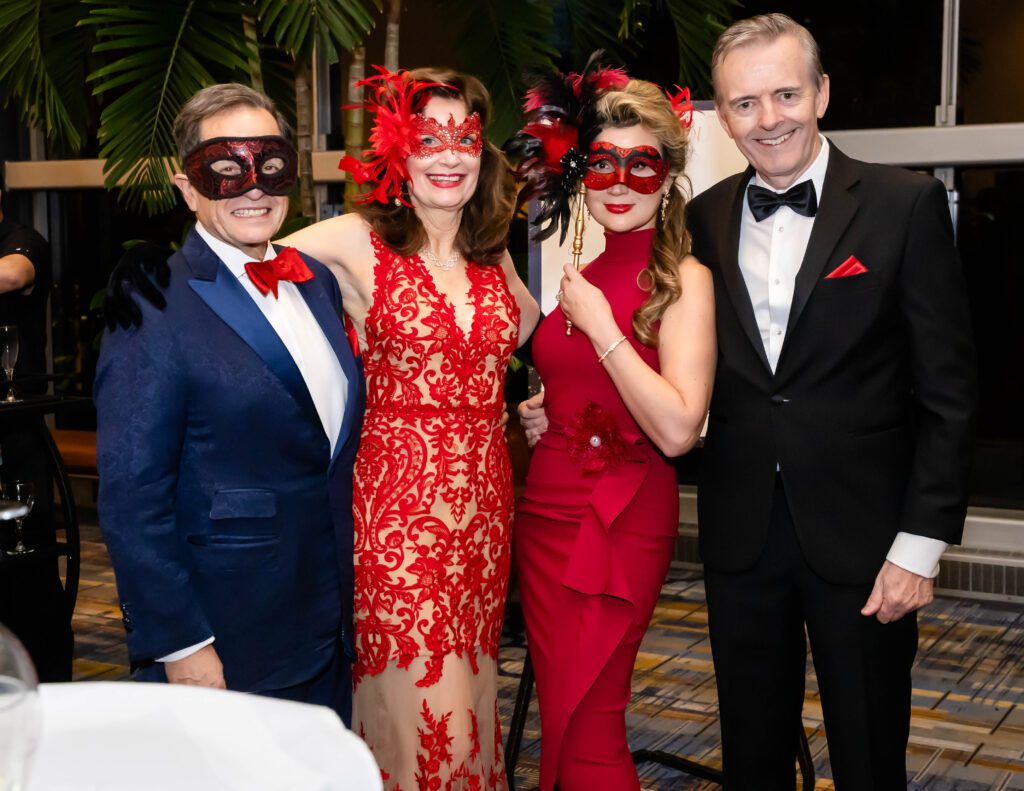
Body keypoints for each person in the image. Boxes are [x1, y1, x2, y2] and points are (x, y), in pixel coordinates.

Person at [522, 14, 978, 788]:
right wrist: (556, 403)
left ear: (823, 93)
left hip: (864, 541)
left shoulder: (903, 207)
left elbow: (949, 391)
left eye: (786, 94)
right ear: (721, 118)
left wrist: (920, 545)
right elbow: (664, 349)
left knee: (870, 757)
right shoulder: (698, 223)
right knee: (752, 755)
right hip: (740, 538)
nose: (769, 119)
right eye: (745, 103)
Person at [279, 67, 538, 789]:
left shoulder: (493, 254)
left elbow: (534, 331)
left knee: (472, 698)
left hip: (483, 518)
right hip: (397, 522)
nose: (450, 155)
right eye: (429, 138)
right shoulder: (356, 240)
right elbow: (251, 263)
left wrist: (541, 401)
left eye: (465, 137)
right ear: (398, 150)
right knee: (423, 714)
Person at [95, 83, 364, 724]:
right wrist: (182, 644)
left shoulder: (316, 281)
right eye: (223, 168)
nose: (252, 186)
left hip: (324, 619)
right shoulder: (152, 300)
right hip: (225, 634)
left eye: (269, 164)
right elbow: (132, 496)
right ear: (188, 187)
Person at [506, 67, 715, 790]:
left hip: (623, 520)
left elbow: (680, 427)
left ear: (667, 176)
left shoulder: (684, 280)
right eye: (601, 162)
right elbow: (576, 388)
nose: (619, 180)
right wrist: (544, 413)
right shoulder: (577, 271)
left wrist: (600, 327)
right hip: (546, 515)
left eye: (641, 163)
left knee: (594, 716)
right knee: (561, 713)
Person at [0, 195, 71, 682]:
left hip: (14, 442)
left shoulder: (24, 241)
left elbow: (12, 274)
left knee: (26, 578)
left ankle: (46, 689)